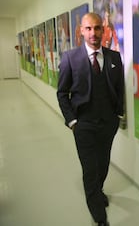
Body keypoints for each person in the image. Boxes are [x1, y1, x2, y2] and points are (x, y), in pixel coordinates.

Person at [57, 12, 124, 226]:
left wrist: (118, 114)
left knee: (103, 163)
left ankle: (98, 190)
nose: (93, 33)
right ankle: (99, 216)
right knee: (90, 168)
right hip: (83, 124)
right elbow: (62, 93)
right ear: (81, 31)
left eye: (96, 28)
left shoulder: (114, 57)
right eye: (88, 28)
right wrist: (72, 121)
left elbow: (119, 87)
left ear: (103, 30)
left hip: (108, 123)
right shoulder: (70, 58)